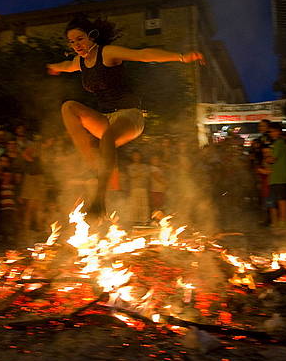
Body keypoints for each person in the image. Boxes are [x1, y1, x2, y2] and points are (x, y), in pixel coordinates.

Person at [46, 15, 203, 220]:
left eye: (80, 39)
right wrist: (54, 67)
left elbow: (143, 55)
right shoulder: (80, 62)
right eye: (72, 42)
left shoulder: (107, 52)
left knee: (108, 136)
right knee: (69, 107)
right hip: (105, 118)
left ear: (92, 36)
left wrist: (181, 57)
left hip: (130, 117)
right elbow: (67, 65)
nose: (77, 45)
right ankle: (95, 165)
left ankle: (100, 198)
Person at [267, 123, 286, 229]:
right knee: (282, 200)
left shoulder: (278, 143)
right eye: (271, 131)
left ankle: (284, 222)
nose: (272, 133)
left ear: (279, 131)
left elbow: (272, 159)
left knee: (282, 200)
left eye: (274, 131)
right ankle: (284, 222)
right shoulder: (284, 144)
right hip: (283, 177)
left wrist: (267, 158)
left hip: (280, 178)